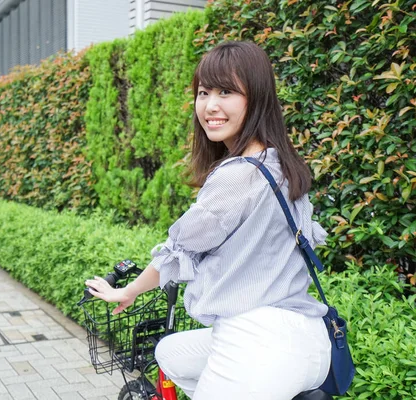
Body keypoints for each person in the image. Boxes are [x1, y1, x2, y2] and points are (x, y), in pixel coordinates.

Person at [85, 41, 331, 399]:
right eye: (203, 92)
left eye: (226, 92)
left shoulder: (237, 176)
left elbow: (178, 251)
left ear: (257, 98)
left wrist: (128, 290)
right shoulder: (282, 165)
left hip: (256, 344)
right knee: (169, 353)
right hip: (310, 341)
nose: (210, 105)